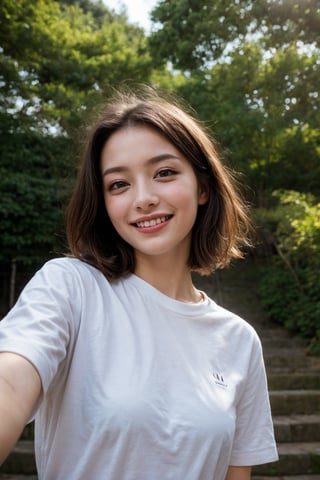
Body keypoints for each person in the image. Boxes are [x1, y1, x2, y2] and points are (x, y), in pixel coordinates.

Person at [0, 88, 278, 479]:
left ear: (202, 187)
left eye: (164, 173)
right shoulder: (69, 287)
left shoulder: (240, 340)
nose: (143, 199)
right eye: (119, 184)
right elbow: (10, 381)